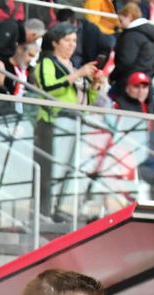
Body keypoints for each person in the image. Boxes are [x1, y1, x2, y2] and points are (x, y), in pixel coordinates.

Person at [33, 22, 104, 217]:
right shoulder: (47, 63)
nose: (72, 44)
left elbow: (87, 100)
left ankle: (59, 208)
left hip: (75, 123)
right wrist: (78, 75)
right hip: (52, 122)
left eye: (74, 40)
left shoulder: (72, 66)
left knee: (68, 169)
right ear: (56, 42)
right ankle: (43, 209)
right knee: (50, 169)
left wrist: (94, 86)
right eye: (67, 40)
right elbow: (48, 88)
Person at [111, 3, 154, 97]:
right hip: (146, 84)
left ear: (130, 17)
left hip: (127, 83)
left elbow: (125, 61)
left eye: (121, 20)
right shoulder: (148, 37)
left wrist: (113, 76)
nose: (119, 24)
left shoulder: (130, 36)